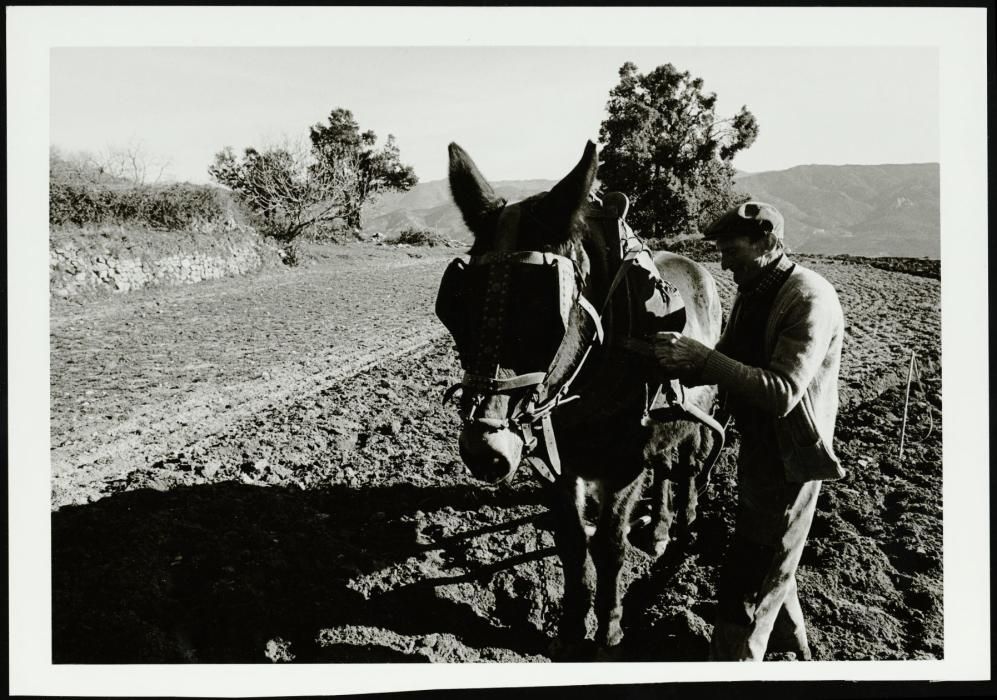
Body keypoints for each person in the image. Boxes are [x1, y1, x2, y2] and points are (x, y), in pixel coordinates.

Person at [653, 201, 846, 661]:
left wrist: (703, 360)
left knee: (749, 577)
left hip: (791, 458)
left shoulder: (807, 298)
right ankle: (796, 652)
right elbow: (727, 357)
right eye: (718, 250)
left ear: (767, 241)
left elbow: (782, 392)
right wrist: (676, 365)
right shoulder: (757, 288)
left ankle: (734, 666)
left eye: (731, 249)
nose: (722, 261)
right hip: (760, 449)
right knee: (774, 562)